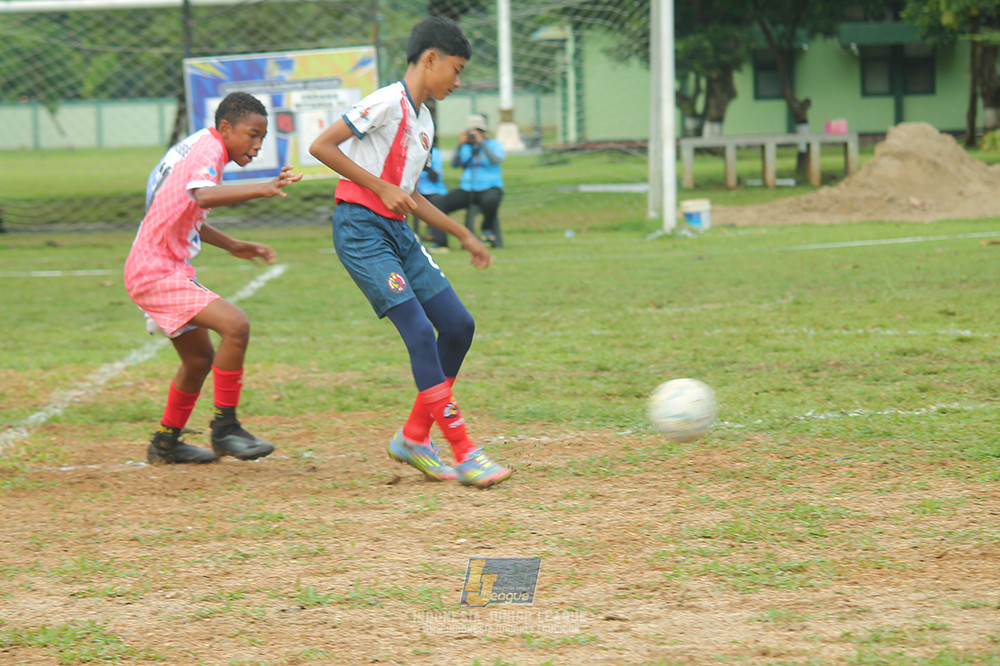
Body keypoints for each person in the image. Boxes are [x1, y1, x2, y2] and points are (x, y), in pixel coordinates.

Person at [308, 16, 512, 488]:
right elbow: (321, 146)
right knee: (420, 333)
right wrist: (378, 185)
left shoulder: (423, 122)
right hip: (361, 231)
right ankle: (464, 451)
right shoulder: (386, 101)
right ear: (431, 59)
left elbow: (411, 196)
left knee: (459, 325)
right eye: (456, 70)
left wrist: (461, 232)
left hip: (399, 232)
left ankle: (414, 436)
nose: (457, 82)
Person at [124, 91, 302, 465]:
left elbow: (183, 208)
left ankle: (165, 444)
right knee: (235, 325)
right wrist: (263, 187)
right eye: (252, 135)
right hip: (155, 270)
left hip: (158, 266)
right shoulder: (210, 152)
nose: (256, 146)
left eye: (262, 138)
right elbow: (203, 196)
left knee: (199, 359)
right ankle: (225, 428)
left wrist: (233, 244)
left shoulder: (197, 146)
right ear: (226, 128)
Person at [435, 113, 505, 249]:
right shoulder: (466, 147)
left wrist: (482, 144)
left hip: (490, 187)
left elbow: (496, 160)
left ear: (484, 132)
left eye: (478, 131)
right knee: (438, 205)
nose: (474, 135)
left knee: (491, 201)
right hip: (467, 189)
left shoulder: (494, 145)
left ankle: (487, 229)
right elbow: (455, 164)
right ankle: (441, 242)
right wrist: (459, 145)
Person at [413, 138, 449, 250]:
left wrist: (425, 162)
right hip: (416, 191)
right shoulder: (412, 152)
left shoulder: (435, 153)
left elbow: (435, 177)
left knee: (437, 203)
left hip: (434, 191)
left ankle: (440, 241)